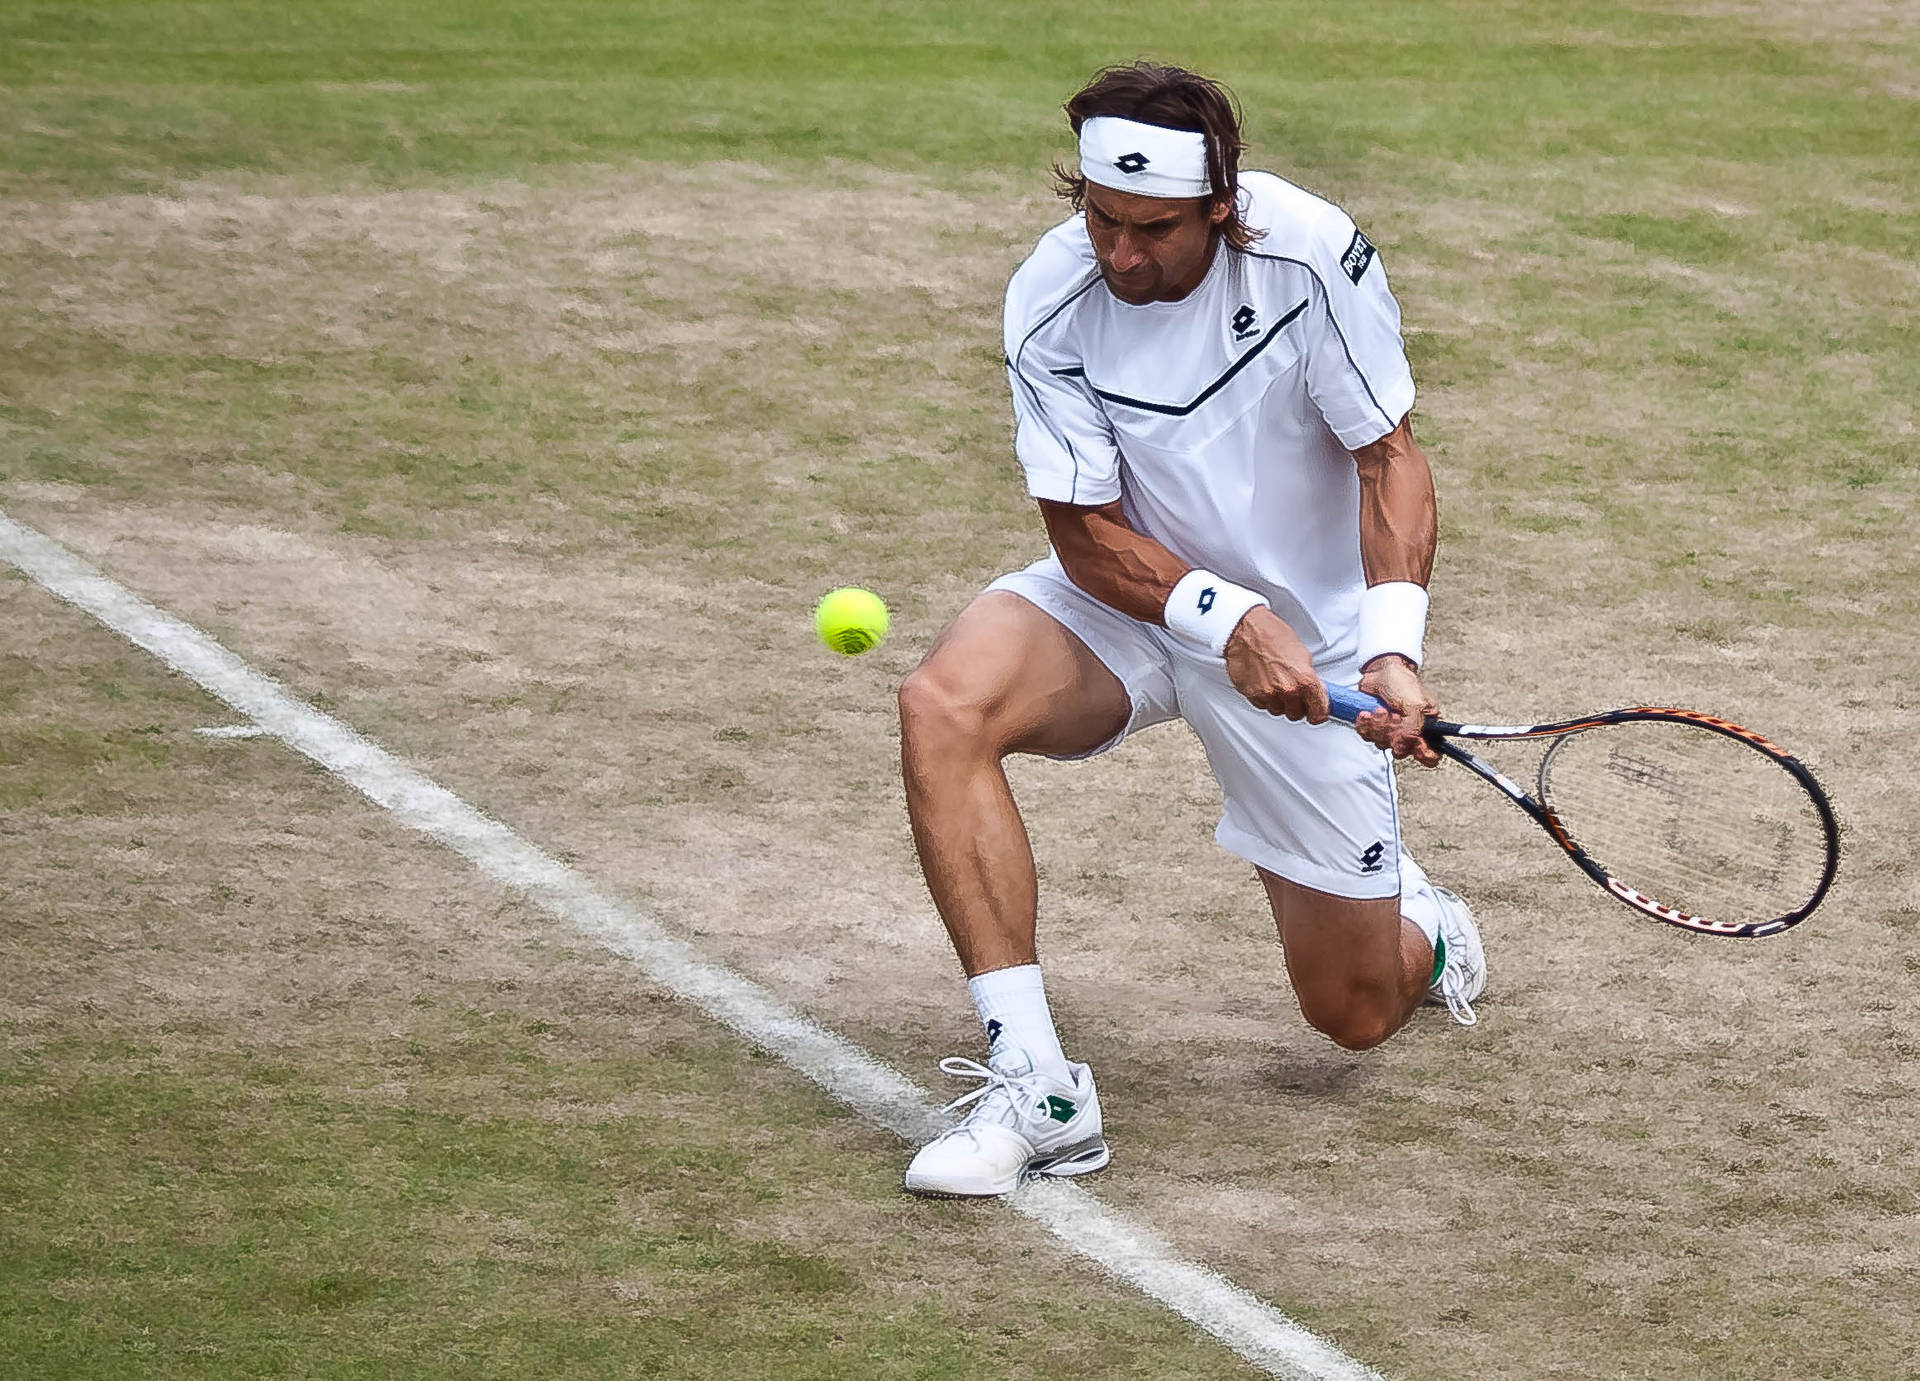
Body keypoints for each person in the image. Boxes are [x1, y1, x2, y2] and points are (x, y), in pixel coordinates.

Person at [896, 61, 1487, 1199]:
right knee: (942, 702)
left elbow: (1389, 457)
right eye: (1100, 219)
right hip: (1136, 601)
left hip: (1307, 647)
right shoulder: (1054, 293)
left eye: (1153, 230)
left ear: (1223, 204)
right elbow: (1083, 534)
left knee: (1353, 1012)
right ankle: (1038, 1089)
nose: (1120, 256)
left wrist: (1390, 645)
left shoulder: (1312, 257)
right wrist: (1224, 614)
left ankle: (1429, 922)